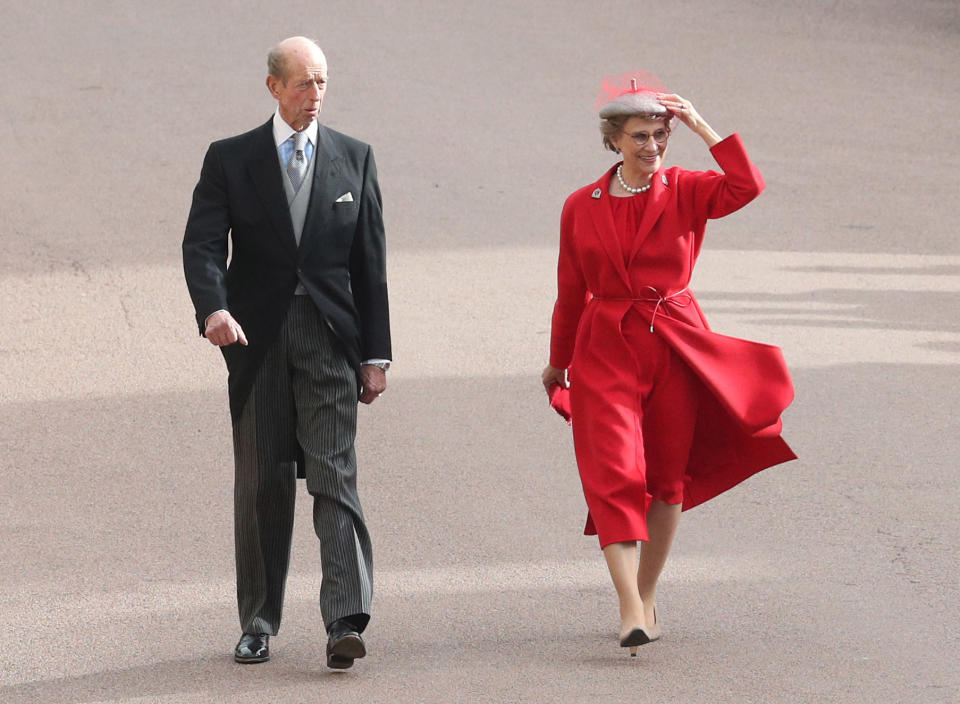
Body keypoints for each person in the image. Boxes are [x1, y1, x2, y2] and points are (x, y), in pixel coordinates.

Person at [542, 72, 796, 656]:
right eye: (639, 136)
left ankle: (646, 593)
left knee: (665, 480)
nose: (652, 147)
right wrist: (559, 361)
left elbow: (746, 185)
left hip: (676, 343)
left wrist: (702, 125)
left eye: (660, 135)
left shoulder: (686, 188)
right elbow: (570, 288)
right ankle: (631, 605)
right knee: (611, 472)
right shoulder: (581, 205)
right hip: (605, 346)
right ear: (613, 139)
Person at [182, 36, 391, 669]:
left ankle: (344, 621)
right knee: (263, 482)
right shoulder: (231, 158)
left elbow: (370, 263)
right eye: (303, 84)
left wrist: (375, 355)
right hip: (257, 339)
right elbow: (201, 244)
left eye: (322, 83)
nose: (314, 96)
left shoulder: (354, 158)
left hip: (330, 338)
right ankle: (259, 620)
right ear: (274, 87)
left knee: (334, 474)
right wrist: (214, 309)